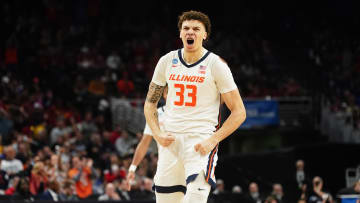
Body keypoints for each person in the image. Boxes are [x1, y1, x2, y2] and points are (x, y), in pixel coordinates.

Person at [143, 10, 246, 203]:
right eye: (186, 28)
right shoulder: (166, 61)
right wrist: (157, 134)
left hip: (199, 142)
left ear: (205, 35)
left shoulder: (216, 64)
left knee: (195, 198)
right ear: (180, 33)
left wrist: (213, 140)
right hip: (170, 141)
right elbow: (150, 104)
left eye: (196, 29)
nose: (190, 32)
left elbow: (239, 112)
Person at [125, 86, 168, 191]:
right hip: (165, 168)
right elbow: (144, 143)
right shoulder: (156, 114)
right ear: (164, 94)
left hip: (187, 166)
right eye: (168, 91)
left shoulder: (188, 114)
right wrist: (132, 168)